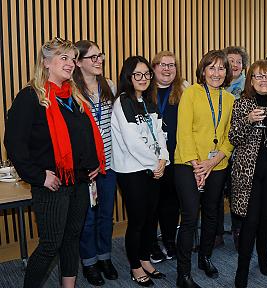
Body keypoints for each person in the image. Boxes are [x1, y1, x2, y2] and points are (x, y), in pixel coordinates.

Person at [5, 37, 105, 288]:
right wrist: (39, 177)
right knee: (51, 244)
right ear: (46, 63)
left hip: (80, 182)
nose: (70, 63)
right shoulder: (30, 97)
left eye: (72, 58)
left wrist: (92, 163)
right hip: (52, 184)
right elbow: (14, 144)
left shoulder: (75, 95)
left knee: (72, 238)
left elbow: (85, 136)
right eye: (64, 58)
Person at [175, 50, 234, 288]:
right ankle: (183, 273)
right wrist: (198, 165)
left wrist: (213, 161)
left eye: (221, 68)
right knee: (190, 217)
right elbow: (184, 131)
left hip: (217, 165)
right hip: (188, 164)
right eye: (212, 68)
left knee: (212, 214)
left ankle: (205, 257)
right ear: (203, 71)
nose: (216, 73)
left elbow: (231, 136)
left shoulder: (230, 99)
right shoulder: (190, 93)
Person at [111, 56, 169, 287]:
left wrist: (163, 158)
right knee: (137, 220)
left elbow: (160, 132)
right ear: (128, 77)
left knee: (150, 218)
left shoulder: (148, 100)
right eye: (138, 74)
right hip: (132, 170)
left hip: (153, 168)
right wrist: (155, 164)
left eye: (147, 74)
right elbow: (132, 142)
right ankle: (135, 265)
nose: (143, 79)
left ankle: (145, 258)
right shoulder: (123, 102)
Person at [230, 60, 267, 288]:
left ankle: (263, 255)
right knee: (250, 221)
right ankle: (242, 267)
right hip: (248, 173)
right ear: (251, 81)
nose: (264, 80)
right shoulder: (242, 104)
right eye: (258, 76)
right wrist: (248, 121)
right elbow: (233, 137)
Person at [72, 39, 119, 286]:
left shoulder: (109, 85)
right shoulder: (72, 91)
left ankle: (105, 257)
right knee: (87, 218)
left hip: (109, 165)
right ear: (78, 63)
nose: (99, 60)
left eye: (100, 55)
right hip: (86, 168)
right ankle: (89, 262)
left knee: (105, 215)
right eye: (92, 57)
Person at [148, 51, 190, 263]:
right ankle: (152, 244)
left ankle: (169, 240)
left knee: (171, 203)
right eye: (162, 65)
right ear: (153, 68)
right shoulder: (145, 91)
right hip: (150, 159)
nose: (167, 69)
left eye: (171, 65)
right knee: (152, 203)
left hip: (176, 156)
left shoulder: (184, 91)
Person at [223, 46, 250, 249]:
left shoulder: (249, 87)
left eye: (238, 61)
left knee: (237, 193)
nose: (234, 64)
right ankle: (214, 233)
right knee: (214, 193)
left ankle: (238, 230)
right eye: (230, 60)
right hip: (216, 147)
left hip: (240, 148)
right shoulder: (214, 84)